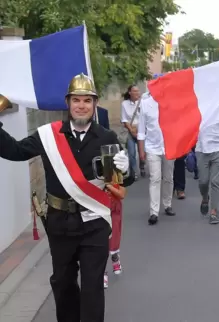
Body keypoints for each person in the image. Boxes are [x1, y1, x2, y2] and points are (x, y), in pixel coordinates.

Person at [0, 73, 133, 321]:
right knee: (63, 283)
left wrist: (126, 169)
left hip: (94, 222)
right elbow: (15, 151)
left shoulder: (106, 137)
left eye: (87, 100)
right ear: (68, 103)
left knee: (93, 286)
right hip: (60, 221)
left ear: (94, 104)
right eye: (76, 100)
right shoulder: (48, 135)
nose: (81, 105)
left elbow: (120, 183)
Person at [137, 93, 176, 225]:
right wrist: (141, 150)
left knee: (168, 177)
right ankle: (154, 212)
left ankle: (167, 204)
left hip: (169, 147)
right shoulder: (145, 104)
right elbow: (141, 129)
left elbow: (179, 124)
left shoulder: (172, 103)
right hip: (152, 147)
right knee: (155, 178)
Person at [196, 122, 219, 224]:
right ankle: (205, 198)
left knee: (215, 181)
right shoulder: (200, 105)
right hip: (201, 148)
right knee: (203, 181)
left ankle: (213, 212)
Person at [121, 85, 145, 179]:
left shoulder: (143, 103)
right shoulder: (124, 104)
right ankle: (134, 172)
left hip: (142, 131)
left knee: (142, 152)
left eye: (138, 91)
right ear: (130, 92)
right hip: (131, 129)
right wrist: (131, 130)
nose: (137, 93)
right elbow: (124, 119)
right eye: (134, 91)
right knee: (131, 153)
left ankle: (142, 166)